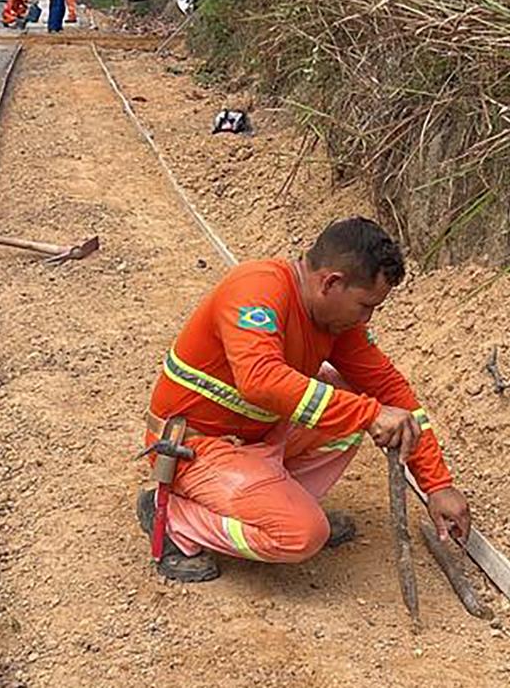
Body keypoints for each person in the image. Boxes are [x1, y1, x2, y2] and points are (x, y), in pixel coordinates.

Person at [138, 217, 471, 581]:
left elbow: (388, 389)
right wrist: (368, 414)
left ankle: (277, 501)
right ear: (331, 282)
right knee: (302, 535)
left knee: (358, 397)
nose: (368, 317)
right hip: (194, 447)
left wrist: (437, 484)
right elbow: (259, 381)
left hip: (252, 438)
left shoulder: (334, 321)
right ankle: (171, 517)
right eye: (364, 305)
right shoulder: (257, 290)